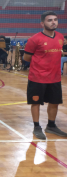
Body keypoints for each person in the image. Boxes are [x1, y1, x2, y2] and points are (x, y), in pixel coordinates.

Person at [23, 11, 67, 139]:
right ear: (42, 23)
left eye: (55, 19)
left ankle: (51, 126)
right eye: (50, 20)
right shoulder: (34, 39)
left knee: (54, 102)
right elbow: (26, 57)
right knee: (36, 103)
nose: (53, 22)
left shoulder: (60, 37)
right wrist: (41, 65)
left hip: (55, 78)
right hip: (38, 77)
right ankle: (37, 127)